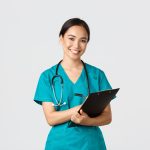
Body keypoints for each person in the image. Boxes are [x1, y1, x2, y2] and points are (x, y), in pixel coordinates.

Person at [33, 18, 114, 150]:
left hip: (92, 145)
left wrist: (87, 121)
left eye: (83, 40)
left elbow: (107, 117)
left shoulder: (97, 75)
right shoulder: (47, 76)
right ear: (61, 38)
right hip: (59, 145)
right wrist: (78, 108)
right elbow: (51, 118)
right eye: (71, 38)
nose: (76, 45)